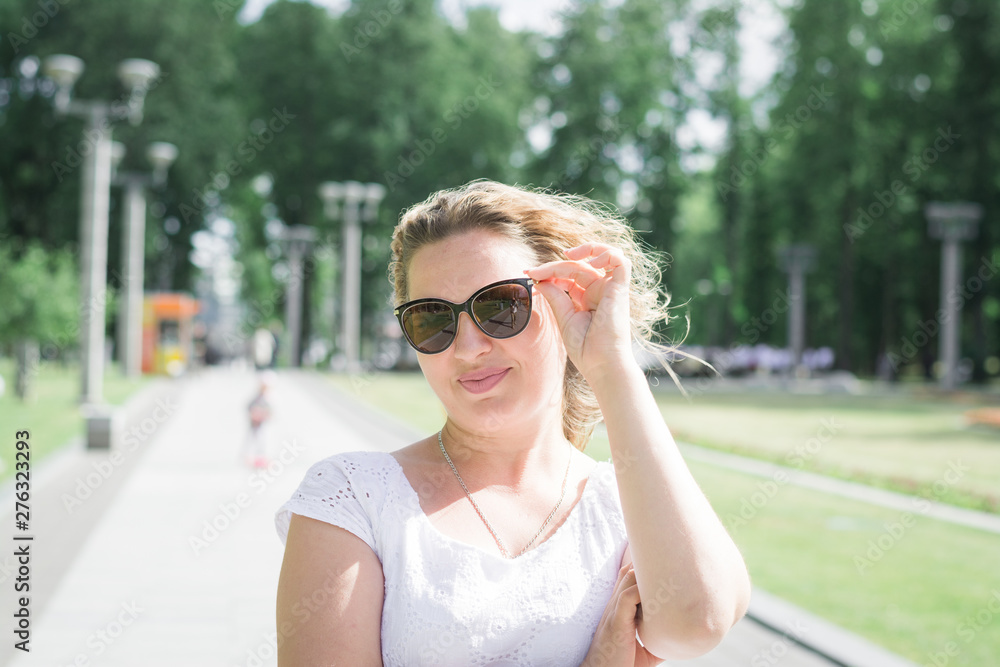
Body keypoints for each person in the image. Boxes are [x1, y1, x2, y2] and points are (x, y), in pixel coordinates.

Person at [273, 180, 751, 666]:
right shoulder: (352, 497)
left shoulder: (627, 508)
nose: (468, 347)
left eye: (499, 306)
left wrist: (611, 367)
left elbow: (698, 622)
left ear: (567, 300)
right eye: (432, 319)